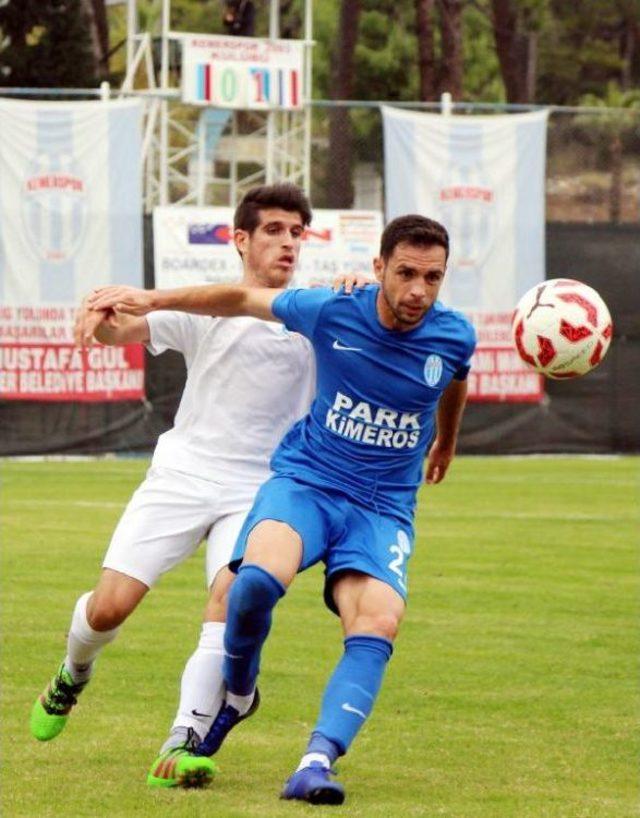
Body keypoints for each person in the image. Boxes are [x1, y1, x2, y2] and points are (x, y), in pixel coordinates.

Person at [87, 214, 477, 805]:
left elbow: (454, 379)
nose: (418, 291)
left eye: (432, 277)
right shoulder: (332, 309)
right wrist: (152, 297)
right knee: (253, 585)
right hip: (309, 482)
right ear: (379, 269)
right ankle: (240, 692)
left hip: (383, 507)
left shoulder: (455, 334)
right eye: (405, 274)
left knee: (377, 623)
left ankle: (315, 762)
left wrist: (446, 440)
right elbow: (242, 298)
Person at [30, 183, 320, 789]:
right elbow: (123, 332)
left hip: (259, 489)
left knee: (231, 599)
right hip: (183, 476)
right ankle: (72, 671)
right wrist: (99, 320)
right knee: (110, 607)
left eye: (296, 231)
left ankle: (183, 738)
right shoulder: (206, 309)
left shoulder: (315, 317)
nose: (288, 242)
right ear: (241, 240)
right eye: (273, 230)